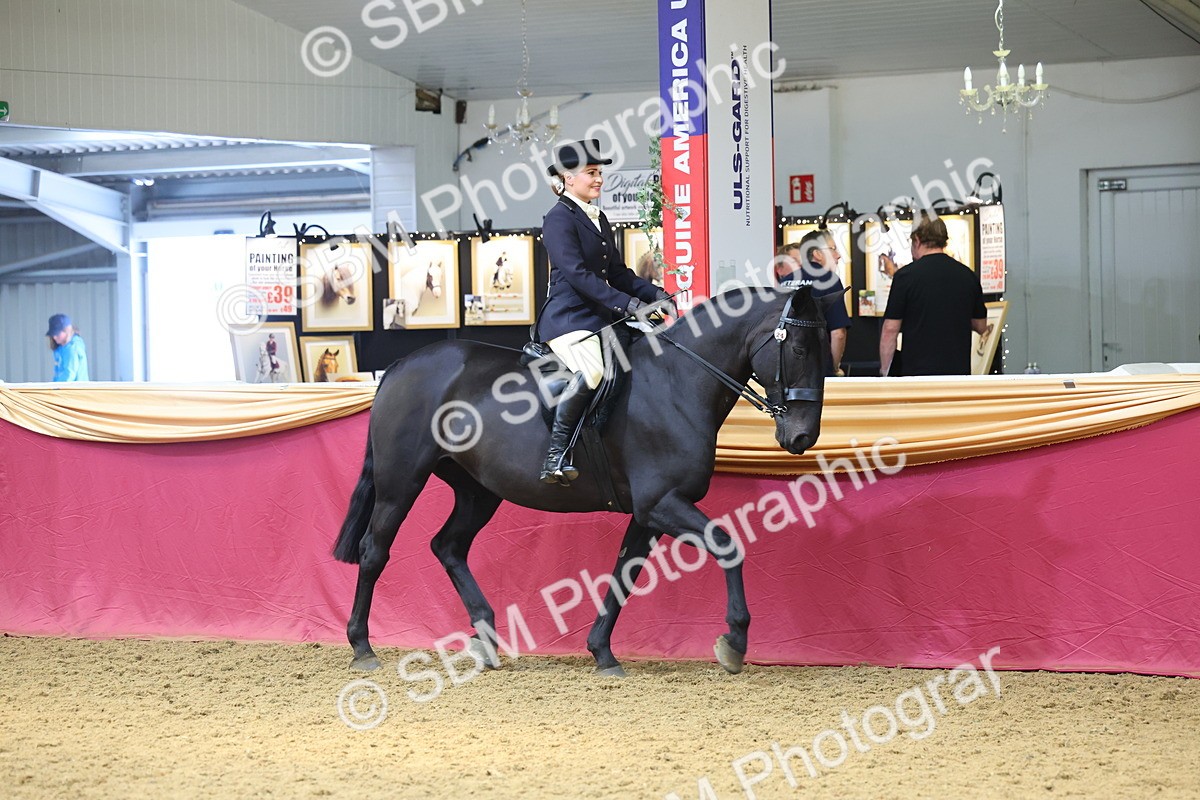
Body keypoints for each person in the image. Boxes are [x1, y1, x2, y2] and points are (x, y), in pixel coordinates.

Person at [538, 139, 676, 486]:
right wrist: (628, 304)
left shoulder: (598, 217)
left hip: (600, 317)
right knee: (594, 370)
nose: (599, 179)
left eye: (599, 172)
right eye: (591, 173)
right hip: (569, 318)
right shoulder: (558, 219)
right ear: (568, 178)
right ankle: (557, 454)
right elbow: (578, 275)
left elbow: (617, 273)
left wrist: (654, 293)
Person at [879, 213, 988, 376]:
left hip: (917, 375)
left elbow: (890, 329)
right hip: (958, 375)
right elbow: (981, 326)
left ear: (917, 240)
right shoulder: (968, 275)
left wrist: (885, 372)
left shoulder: (905, 277)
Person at [775, 232, 851, 376]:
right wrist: (833, 368)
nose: (838, 255)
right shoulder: (829, 280)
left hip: (786, 369)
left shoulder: (784, 282)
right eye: (833, 249)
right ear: (817, 254)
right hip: (817, 370)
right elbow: (838, 333)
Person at [46, 313, 90, 382]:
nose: (54, 337)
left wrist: (56, 387)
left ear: (67, 331)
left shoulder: (72, 348)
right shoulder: (62, 348)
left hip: (73, 388)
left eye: (57, 334)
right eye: (53, 334)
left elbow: (69, 374)